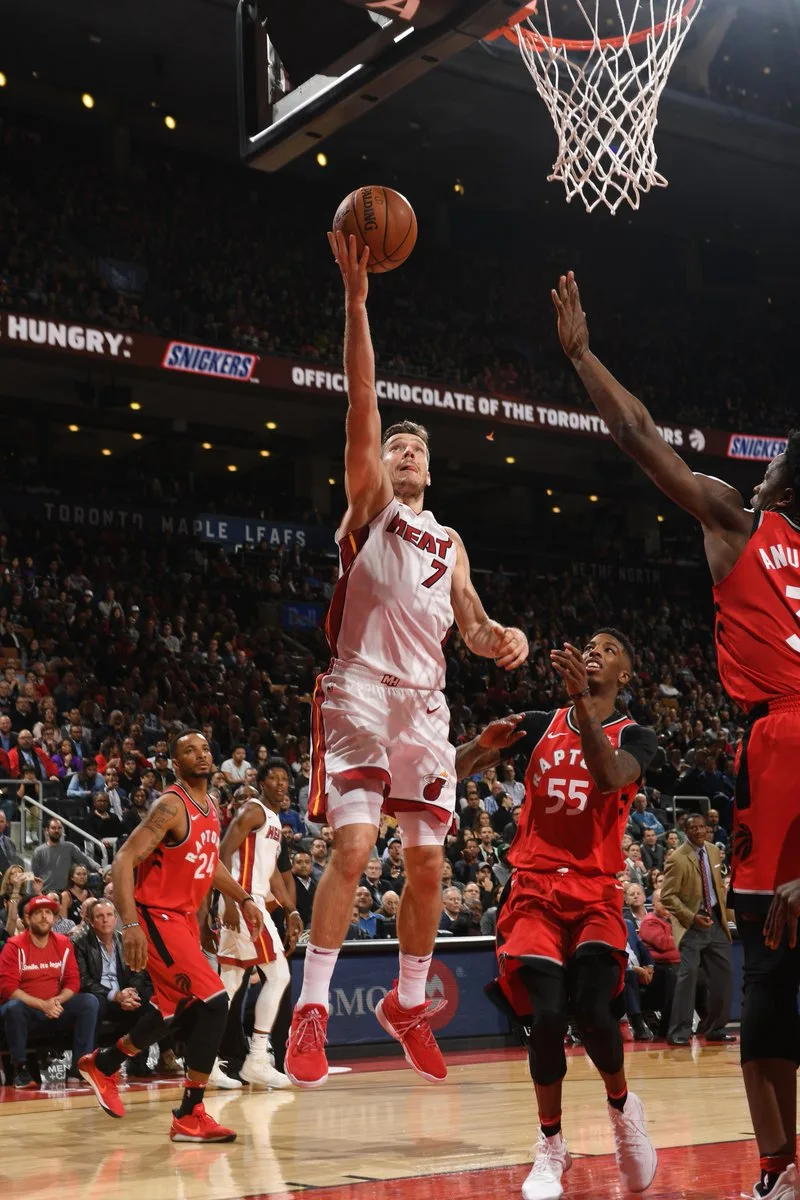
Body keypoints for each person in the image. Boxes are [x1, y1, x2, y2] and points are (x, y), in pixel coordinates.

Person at [553, 271, 800, 1200]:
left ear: (778, 484)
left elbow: (639, 433)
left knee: (769, 982)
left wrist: (583, 359)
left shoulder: (740, 520)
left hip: (782, 750)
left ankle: (777, 1169)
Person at [288, 233, 528, 1090]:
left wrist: (505, 638)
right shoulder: (369, 508)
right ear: (380, 463)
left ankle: (405, 1001)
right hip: (357, 688)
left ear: (435, 466)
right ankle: (312, 1008)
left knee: (426, 862)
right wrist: (356, 302)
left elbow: (470, 624)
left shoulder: (450, 537)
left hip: (427, 704)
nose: (408, 450)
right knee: (353, 851)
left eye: (419, 447)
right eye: (397, 445)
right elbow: (361, 399)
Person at [456, 629, 658, 1199]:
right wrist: (477, 745)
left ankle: (622, 1111)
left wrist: (578, 705)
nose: (594, 650)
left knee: (595, 1011)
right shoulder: (540, 723)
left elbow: (609, 776)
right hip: (534, 890)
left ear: (624, 676)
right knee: (545, 1019)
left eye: (610, 649)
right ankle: (551, 1143)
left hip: (595, 891)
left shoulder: (637, 736)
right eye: (589, 644)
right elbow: (454, 769)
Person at [77, 730, 264, 1143]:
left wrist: (244, 898)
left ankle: (104, 1064)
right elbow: (124, 858)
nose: (200, 755)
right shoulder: (170, 805)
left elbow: (208, 863)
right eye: (188, 751)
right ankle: (189, 1112)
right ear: (175, 764)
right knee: (215, 1001)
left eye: (203, 748)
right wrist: (129, 926)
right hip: (154, 916)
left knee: (171, 1011)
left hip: (179, 918)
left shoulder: (210, 805)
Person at [214, 757, 301, 1090]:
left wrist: (290, 909)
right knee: (278, 975)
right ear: (261, 782)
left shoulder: (275, 820)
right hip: (244, 901)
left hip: (253, 901)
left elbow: (274, 876)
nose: (281, 783)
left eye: (284, 779)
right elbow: (221, 852)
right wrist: (232, 900)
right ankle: (257, 1059)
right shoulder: (253, 811)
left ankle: (204, 1061)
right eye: (274, 778)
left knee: (229, 984)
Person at [0, 894, 99, 1088]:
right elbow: (8, 989)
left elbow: (73, 982)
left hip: (55, 1008)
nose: (44, 917)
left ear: (54, 918)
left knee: (89, 1002)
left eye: (48, 912)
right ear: (28, 919)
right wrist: (43, 1005)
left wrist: (56, 1001)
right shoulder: (14, 947)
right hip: (27, 1010)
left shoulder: (63, 943)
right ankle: (20, 1069)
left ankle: (79, 1069)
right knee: (13, 1008)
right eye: (38, 913)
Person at [660, 814, 733, 1047]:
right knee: (687, 977)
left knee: (724, 977)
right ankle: (679, 1031)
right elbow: (667, 897)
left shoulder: (712, 851)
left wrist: (728, 916)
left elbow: (718, 887)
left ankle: (715, 1028)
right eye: (694, 828)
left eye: (703, 827)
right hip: (692, 926)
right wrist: (691, 917)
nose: (699, 831)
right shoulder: (677, 858)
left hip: (716, 923)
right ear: (685, 830)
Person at [73, 898, 153, 1077]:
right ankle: (89, 1064)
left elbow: (138, 973)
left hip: (123, 995)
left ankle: (138, 1063)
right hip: (100, 997)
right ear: (91, 921)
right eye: (99, 916)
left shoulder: (125, 940)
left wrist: (130, 993)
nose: (105, 919)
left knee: (146, 1001)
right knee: (92, 1004)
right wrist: (115, 995)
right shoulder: (80, 942)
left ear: (116, 919)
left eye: (109, 915)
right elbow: (83, 981)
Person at [31, 818, 101, 894]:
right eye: (53, 828)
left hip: (65, 893)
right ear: (47, 831)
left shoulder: (69, 847)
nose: (56, 831)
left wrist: (98, 868)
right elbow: (34, 876)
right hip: (46, 892)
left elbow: (85, 859)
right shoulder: (39, 851)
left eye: (59, 828)